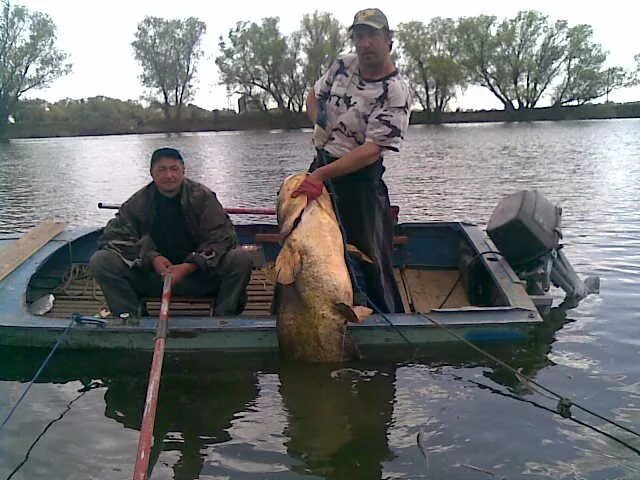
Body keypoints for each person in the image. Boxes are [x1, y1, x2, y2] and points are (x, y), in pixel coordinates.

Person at [293, 8, 411, 313]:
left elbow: (372, 149)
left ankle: (385, 316)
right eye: (359, 36)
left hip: (359, 180)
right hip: (320, 166)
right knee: (303, 243)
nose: (365, 43)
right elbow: (313, 95)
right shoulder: (343, 64)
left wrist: (319, 176)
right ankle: (303, 309)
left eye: (372, 35)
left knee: (370, 255)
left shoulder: (395, 90)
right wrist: (319, 122)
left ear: (389, 40)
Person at [89, 147, 253, 317]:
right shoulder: (138, 203)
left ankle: (224, 319)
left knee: (240, 259)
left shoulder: (203, 198)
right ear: (152, 173)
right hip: (153, 278)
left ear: (183, 170)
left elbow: (222, 237)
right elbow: (113, 238)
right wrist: (152, 258)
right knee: (102, 260)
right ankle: (131, 318)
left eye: (174, 169)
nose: (169, 176)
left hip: (200, 276)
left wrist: (190, 265)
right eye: (162, 170)